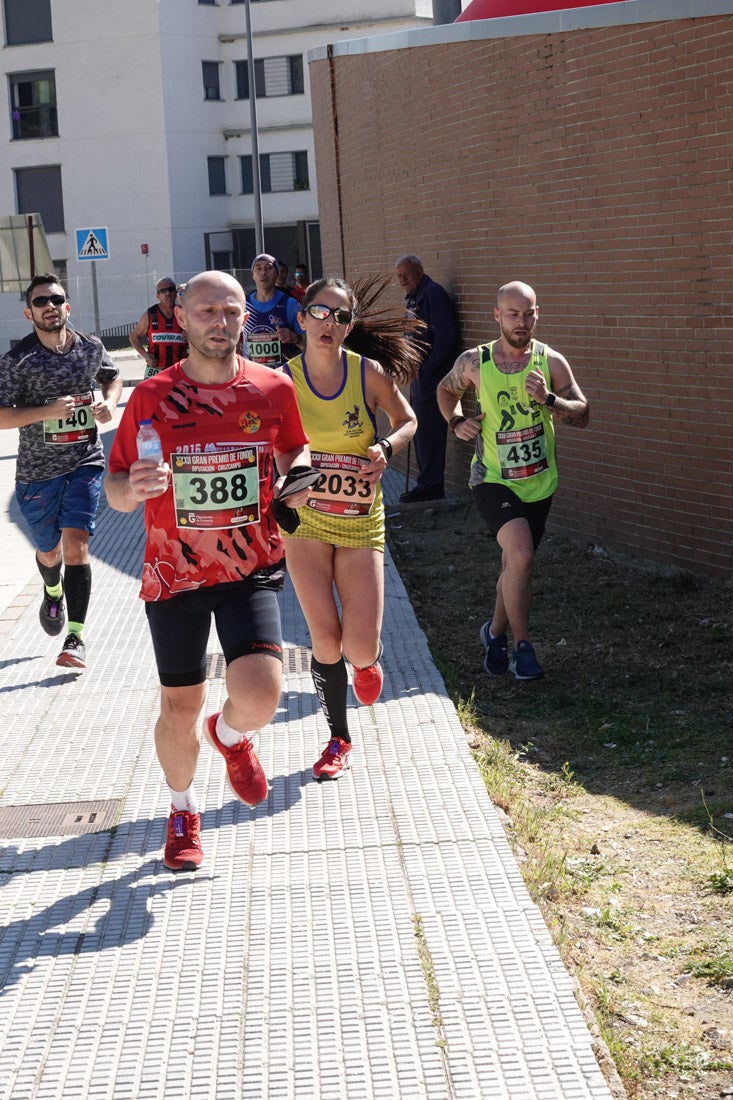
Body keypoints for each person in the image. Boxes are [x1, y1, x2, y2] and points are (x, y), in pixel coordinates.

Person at [105, 271, 312, 872]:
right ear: (182, 321)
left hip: (251, 563)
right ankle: (182, 808)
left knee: (262, 693)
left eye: (229, 312)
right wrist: (132, 488)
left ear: (244, 317)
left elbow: (293, 448)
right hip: (175, 576)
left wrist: (296, 479)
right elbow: (115, 487)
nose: (218, 323)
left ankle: (229, 733)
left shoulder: (273, 388)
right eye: (205, 313)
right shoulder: (151, 398)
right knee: (179, 706)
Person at [282, 275, 422, 780]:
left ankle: (367, 664)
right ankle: (338, 739)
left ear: (349, 327)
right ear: (302, 320)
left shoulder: (369, 374)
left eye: (341, 317)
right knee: (324, 637)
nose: (330, 324)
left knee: (358, 644)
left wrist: (386, 448)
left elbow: (408, 421)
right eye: (320, 313)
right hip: (305, 522)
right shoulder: (282, 379)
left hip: (360, 520)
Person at [437, 280, 589, 680]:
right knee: (521, 554)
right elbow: (444, 391)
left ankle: (494, 633)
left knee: (515, 565)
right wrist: (456, 422)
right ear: (497, 315)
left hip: (539, 482)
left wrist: (550, 401)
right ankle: (523, 648)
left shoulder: (550, 361)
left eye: (528, 313)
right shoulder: (476, 361)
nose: (521, 322)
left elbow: (584, 413)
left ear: (537, 314)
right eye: (512, 314)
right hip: (492, 479)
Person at [0, 273, 122, 669]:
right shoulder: (18, 361)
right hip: (37, 473)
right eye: (41, 302)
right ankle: (52, 590)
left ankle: (75, 638)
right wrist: (47, 412)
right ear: (28, 312)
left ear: (67, 306)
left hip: (84, 461)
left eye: (56, 299)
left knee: (76, 546)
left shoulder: (90, 347)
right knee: (49, 552)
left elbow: (113, 377)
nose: (50, 306)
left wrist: (109, 402)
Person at [395, 254, 460, 503]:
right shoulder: (414, 297)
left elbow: (446, 337)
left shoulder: (433, 294)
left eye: (406, 275)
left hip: (433, 377)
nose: (402, 280)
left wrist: (429, 369)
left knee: (430, 430)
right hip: (419, 373)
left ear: (420, 271)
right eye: (399, 276)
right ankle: (425, 482)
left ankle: (431, 485)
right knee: (420, 429)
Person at [244, 253, 304, 367]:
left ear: (277, 274)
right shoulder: (243, 305)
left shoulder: (290, 304)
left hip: (284, 375)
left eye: (269, 267)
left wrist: (295, 338)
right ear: (253, 275)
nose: (263, 272)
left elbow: (310, 344)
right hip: (253, 376)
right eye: (258, 268)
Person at [130, 277, 188, 378]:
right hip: (156, 371)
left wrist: (191, 336)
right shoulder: (151, 314)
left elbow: (200, 338)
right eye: (163, 291)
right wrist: (145, 355)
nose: (167, 294)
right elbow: (133, 337)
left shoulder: (184, 314)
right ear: (158, 295)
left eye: (170, 289)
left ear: (175, 293)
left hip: (179, 371)